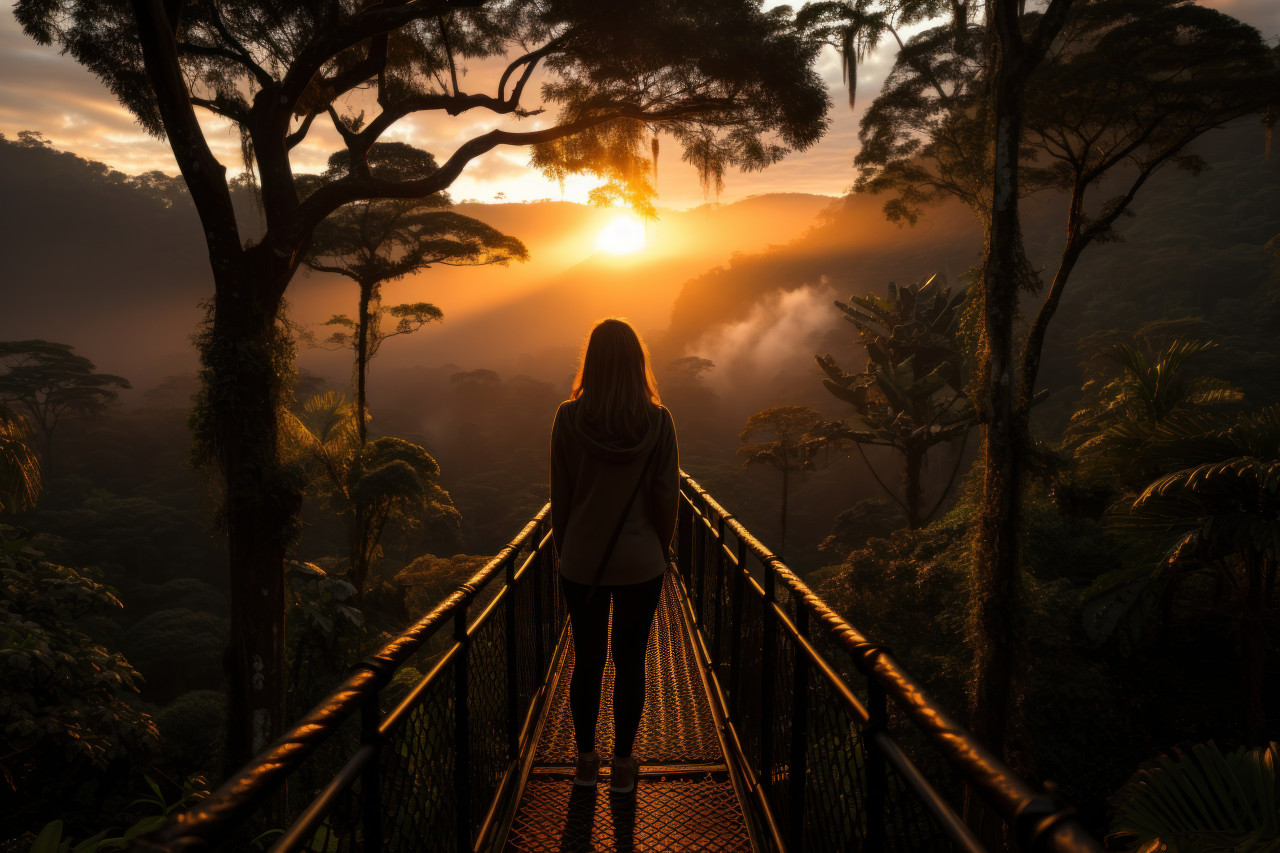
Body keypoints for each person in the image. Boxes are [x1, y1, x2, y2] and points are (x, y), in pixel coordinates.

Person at [549, 318, 679, 795]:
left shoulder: (568, 418)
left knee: (586, 661)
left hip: (581, 562)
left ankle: (585, 762)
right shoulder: (659, 421)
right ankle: (623, 764)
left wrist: (568, 554)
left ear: (592, 362)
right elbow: (667, 498)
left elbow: (559, 498)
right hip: (642, 564)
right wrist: (660, 551)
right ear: (635, 362)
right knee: (631, 662)